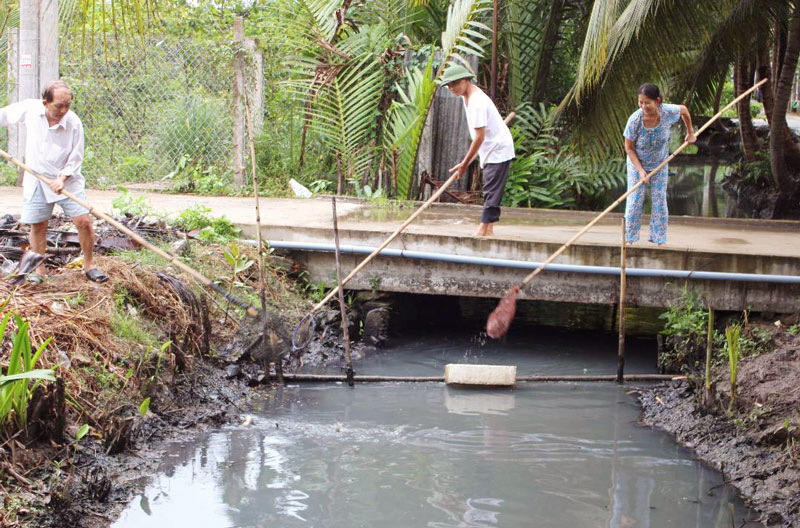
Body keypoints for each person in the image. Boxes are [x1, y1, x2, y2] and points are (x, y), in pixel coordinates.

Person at [0, 80, 107, 283]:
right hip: (37, 177)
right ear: (45, 102)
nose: (64, 110)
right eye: (59, 105)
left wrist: (62, 178)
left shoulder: (73, 123)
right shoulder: (31, 109)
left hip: (67, 179)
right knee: (38, 225)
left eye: (67, 105)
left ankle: (89, 264)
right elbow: (4, 115)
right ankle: (39, 271)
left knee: (83, 221)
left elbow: (76, 156)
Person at [440, 64, 515, 238]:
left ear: (466, 80)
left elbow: (479, 137)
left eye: (455, 84)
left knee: (491, 189)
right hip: (489, 147)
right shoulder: (466, 97)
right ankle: (488, 230)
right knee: (491, 188)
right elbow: (480, 138)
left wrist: (464, 164)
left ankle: (483, 228)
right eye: (449, 85)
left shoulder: (477, 102)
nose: (452, 88)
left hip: (498, 149)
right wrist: (465, 162)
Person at [623, 83, 695, 247]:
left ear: (658, 101)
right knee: (635, 199)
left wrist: (690, 133)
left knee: (659, 201)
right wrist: (641, 171)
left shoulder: (667, 111)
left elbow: (684, 110)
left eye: (647, 102)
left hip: (660, 162)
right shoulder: (635, 120)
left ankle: (659, 238)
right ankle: (630, 238)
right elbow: (628, 148)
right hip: (637, 164)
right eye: (640, 102)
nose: (643, 106)